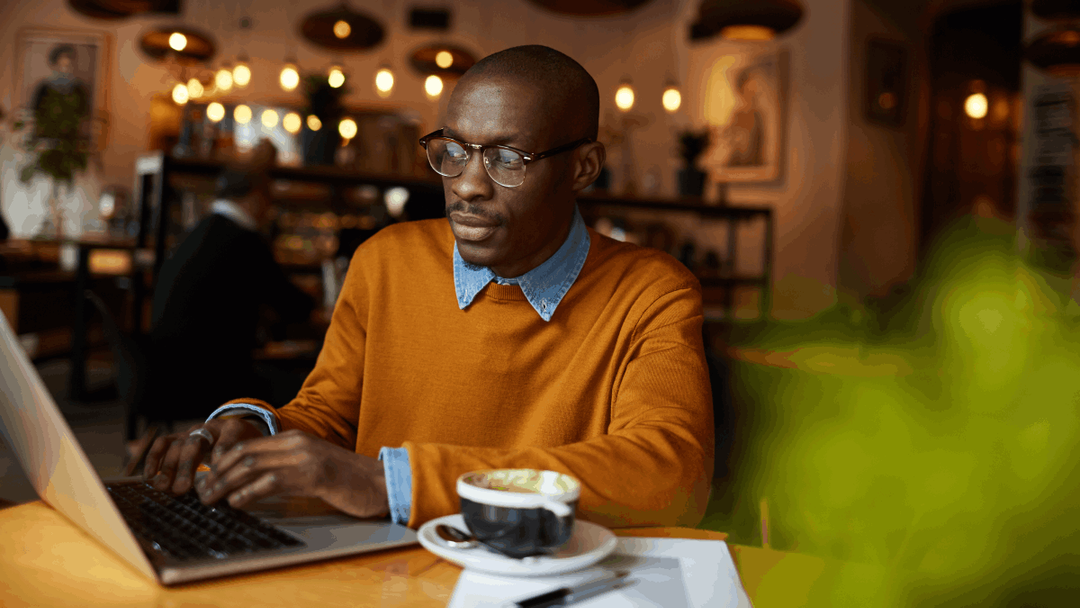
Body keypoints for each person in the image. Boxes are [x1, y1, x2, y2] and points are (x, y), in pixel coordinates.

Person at [143, 45, 714, 530]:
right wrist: (250, 431)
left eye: (508, 158)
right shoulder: (385, 261)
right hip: (380, 569)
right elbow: (328, 415)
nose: (466, 186)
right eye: (456, 151)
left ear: (584, 168)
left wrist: (395, 483)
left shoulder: (651, 292)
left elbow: (670, 474)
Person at [147, 142, 315, 419]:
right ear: (256, 196)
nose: (269, 209)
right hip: (209, 381)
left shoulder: (198, 233)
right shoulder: (244, 240)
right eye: (269, 198)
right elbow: (293, 306)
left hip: (166, 373)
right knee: (313, 395)